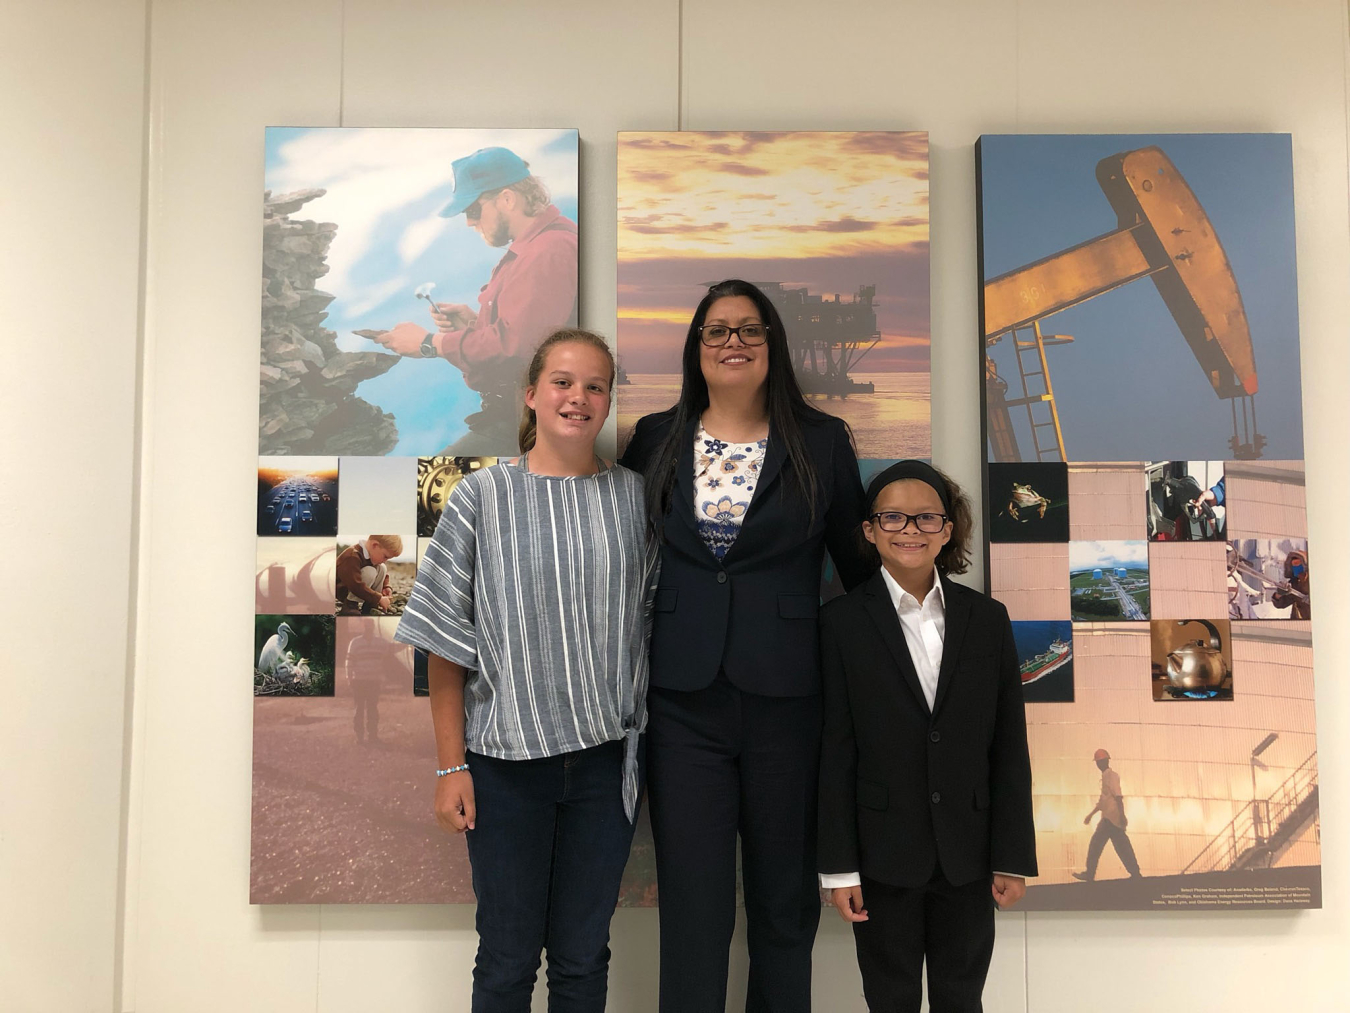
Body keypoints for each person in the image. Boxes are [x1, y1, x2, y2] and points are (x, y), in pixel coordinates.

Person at [619, 279, 871, 1013]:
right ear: (696, 347)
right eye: (717, 330)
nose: (734, 342)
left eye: (750, 330)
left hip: (790, 704)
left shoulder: (821, 441)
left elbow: (857, 576)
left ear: (772, 346)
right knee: (693, 911)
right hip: (681, 704)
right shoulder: (654, 438)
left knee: (783, 908)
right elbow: (621, 557)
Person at [395, 328, 657, 1013]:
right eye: (564, 381)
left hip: (605, 770)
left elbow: (653, 625)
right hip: (504, 768)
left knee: (581, 957)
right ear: (533, 394)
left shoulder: (636, 500)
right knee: (507, 959)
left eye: (596, 385)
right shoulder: (481, 497)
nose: (579, 397)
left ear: (608, 401)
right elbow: (445, 643)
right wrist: (451, 766)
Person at [817, 461, 1037, 1013]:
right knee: (889, 998)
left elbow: (1009, 745)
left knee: (962, 998)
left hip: (969, 853)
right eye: (892, 517)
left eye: (925, 518)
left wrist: (1011, 856)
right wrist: (838, 867)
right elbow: (834, 752)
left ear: (948, 529)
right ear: (869, 530)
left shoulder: (987, 619)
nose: (909, 529)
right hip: (880, 855)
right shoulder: (839, 624)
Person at [374, 146, 578, 453]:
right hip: (519, 421)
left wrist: (429, 343)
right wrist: (474, 324)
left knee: (430, 493)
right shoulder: (538, 247)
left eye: (473, 210)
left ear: (507, 199)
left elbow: (517, 347)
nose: (470, 222)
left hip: (525, 428)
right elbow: (530, 334)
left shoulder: (547, 252)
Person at [1073, 748, 1141, 882]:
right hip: (1110, 819)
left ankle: (1090, 874)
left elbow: (1118, 796)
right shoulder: (1105, 777)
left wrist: (1122, 815)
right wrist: (1091, 815)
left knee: (1096, 845)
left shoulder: (1112, 776)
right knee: (1122, 847)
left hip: (1111, 818)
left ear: (1104, 762)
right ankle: (1136, 873)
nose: (1099, 764)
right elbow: (1103, 801)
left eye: (1100, 762)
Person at [336, 535, 401, 615]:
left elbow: (384, 576)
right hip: (343, 589)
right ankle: (350, 605)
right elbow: (355, 585)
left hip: (357, 589)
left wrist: (386, 586)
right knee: (370, 571)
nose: (385, 561)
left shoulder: (370, 554)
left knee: (382, 567)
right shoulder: (352, 556)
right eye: (385, 557)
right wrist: (379, 598)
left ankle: (370, 605)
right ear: (374, 545)